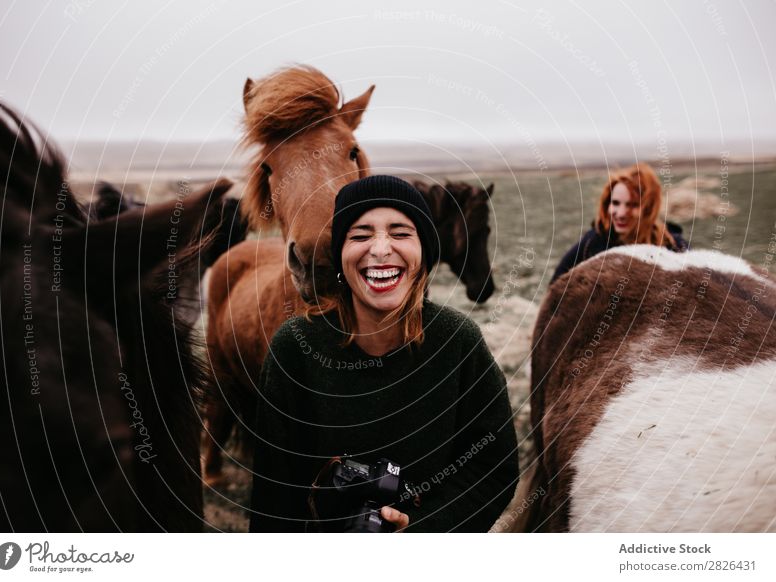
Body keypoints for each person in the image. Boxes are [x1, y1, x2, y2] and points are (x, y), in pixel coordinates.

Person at [248, 175, 518, 532]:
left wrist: (424, 530)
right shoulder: (295, 349)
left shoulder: (459, 343)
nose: (379, 249)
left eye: (400, 233)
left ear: (424, 254)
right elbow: (272, 498)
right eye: (360, 235)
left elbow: (493, 466)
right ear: (340, 258)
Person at [551, 163, 689, 283]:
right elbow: (556, 288)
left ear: (649, 209)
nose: (621, 213)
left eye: (633, 205)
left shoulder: (673, 246)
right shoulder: (592, 243)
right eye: (615, 203)